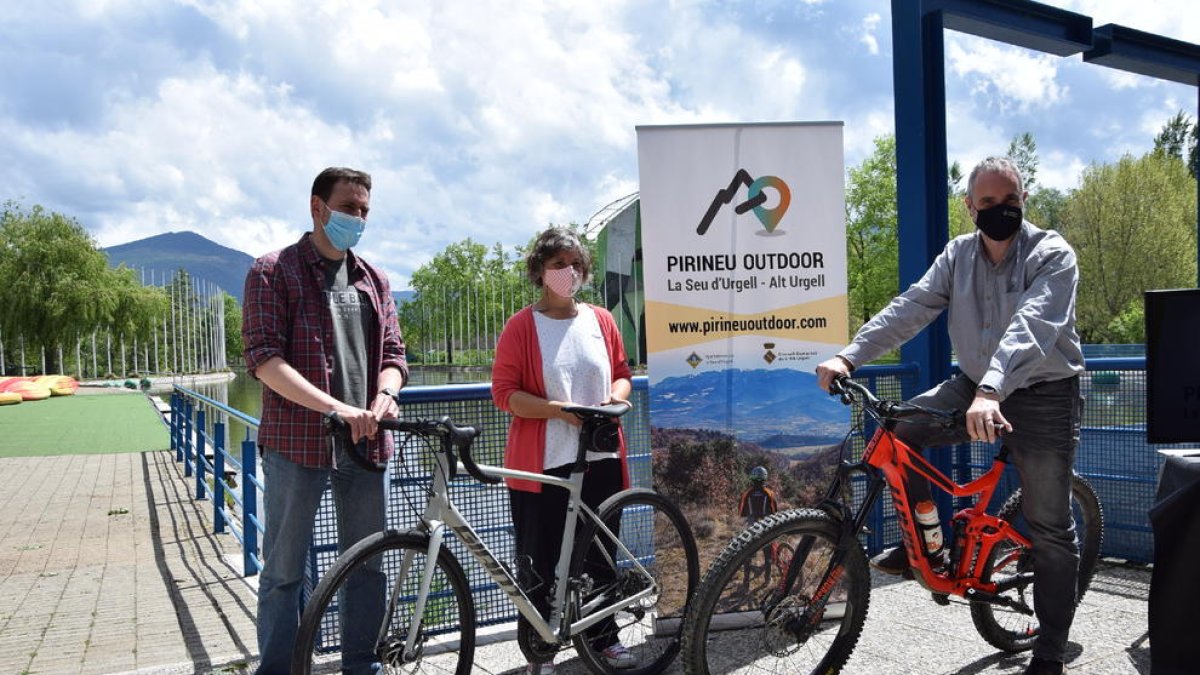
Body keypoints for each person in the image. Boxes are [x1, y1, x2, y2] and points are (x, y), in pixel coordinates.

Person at [815, 156, 1084, 675]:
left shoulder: (1051, 253)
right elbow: (912, 306)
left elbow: (1033, 325)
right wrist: (850, 355)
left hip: (1042, 391)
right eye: (987, 204)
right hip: (974, 384)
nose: (1000, 211)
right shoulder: (959, 255)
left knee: (1050, 527)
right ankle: (929, 547)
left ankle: (1050, 649)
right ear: (969, 207)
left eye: (1010, 202)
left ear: (1023, 200)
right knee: (900, 432)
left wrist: (991, 389)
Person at [242, 167, 407, 675]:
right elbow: (265, 360)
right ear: (317, 207)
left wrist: (385, 394)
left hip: (366, 444)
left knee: (367, 567)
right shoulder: (273, 271)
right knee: (284, 572)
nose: (357, 218)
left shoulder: (373, 279)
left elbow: (395, 355)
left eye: (364, 211)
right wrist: (334, 408)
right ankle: (280, 668)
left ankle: (362, 665)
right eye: (349, 208)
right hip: (298, 445)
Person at [491, 226, 635, 674]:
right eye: (557, 265)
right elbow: (505, 393)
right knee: (540, 558)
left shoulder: (601, 319)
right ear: (540, 272)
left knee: (600, 554)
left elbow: (622, 371)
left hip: (600, 456)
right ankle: (541, 650)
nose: (567, 273)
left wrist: (615, 399)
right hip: (544, 463)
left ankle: (603, 638)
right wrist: (558, 410)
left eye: (574, 265)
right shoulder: (521, 326)